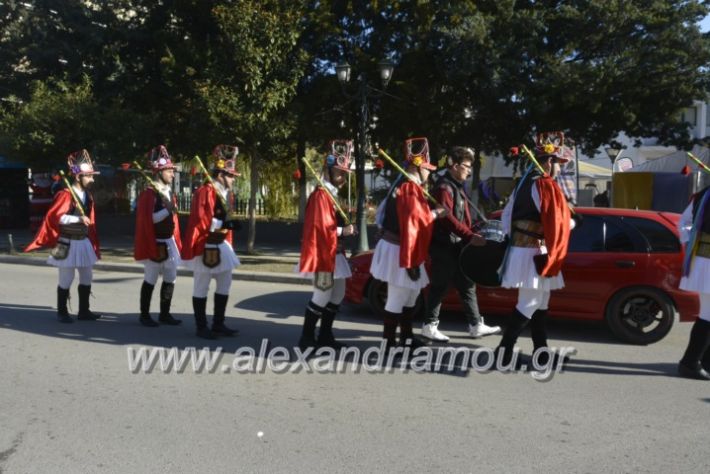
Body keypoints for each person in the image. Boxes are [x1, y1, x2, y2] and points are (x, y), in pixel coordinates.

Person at [496, 132, 574, 367]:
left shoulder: (523, 183)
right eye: (558, 164)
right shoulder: (543, 184)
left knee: (541, 303)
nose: (559, 169)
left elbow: (506, 217)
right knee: (530, 303)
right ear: (548, 162)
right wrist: (571, 222)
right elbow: (558, 221)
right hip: (532, 252)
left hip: (527, 249)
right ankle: (504, 353)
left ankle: (541, 353)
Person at [370, 137, 447, 350]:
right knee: (398, 294)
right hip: (399, 248)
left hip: (407, 246)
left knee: (411, 293)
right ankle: (388, 343)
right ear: (417, 166)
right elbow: (414, 220)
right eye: (427, 169)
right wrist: (436, 213)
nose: (429, 173)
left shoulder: (410, 185)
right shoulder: (407, 186)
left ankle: (406, 336)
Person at [421, 146, 501, 342]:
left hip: (456, 244)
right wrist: (469, 235)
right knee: (440, 285)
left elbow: (461, 218)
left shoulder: (455, 186)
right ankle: (429, 326)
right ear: (455, 166)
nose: (469, 170)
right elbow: (446, 219)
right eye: (466, 166)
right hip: (444, 245)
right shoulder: (443, 188)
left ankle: (475, 325)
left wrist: (474, 229)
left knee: (467, 284)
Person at [25, 150, 102, 323]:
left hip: (83, 241)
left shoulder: (87, 196)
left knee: (87, 276)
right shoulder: (65, 194)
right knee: (66, 278)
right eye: (89, 176)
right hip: (65, 243)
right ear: (78, 177)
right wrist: (78, 218)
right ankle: (62, 312)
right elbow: (56, 217)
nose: (92, 179)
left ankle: (84, 310)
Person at [297, 140, 356, 350]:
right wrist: (343, 231)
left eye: (344, 173)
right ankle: (306, 338)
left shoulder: (332, 195)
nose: (342, 178)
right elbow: (320, 228)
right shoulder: (321, 195)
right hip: (324, 254)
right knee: (322, 294)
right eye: (339, 173)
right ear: (328, 171)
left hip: (335, 253)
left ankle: (325, 336)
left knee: (338, 295)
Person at [181, 145, 242, 339]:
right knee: (202, 285)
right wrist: (225, 222)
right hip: (205, 244)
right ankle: (201, 327)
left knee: (225, 283)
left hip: (222, 243)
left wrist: (227, 225)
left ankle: (218, 323)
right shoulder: (205, 191)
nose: (233, 179)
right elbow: (200, 220)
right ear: (221, 174)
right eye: (231, 175)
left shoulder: (225, 194)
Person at [133, 145, 183, 327]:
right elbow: (148, 220)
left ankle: (165, 313)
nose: (172, 174)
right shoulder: (149, 194)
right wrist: (166, 211)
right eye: (169, 171)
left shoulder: (168, 192)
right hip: (154, 242)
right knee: (151, 278)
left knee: (171, 277)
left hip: (169, 241)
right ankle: (144, 315)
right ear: (160, 172)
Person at [676, 185, 710, 380]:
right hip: (707, 262)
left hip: (704, 261)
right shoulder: (704, 195)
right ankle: (690, 363)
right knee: (707, 315)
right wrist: (691, 244)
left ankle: (704, 361)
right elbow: (685, 223)